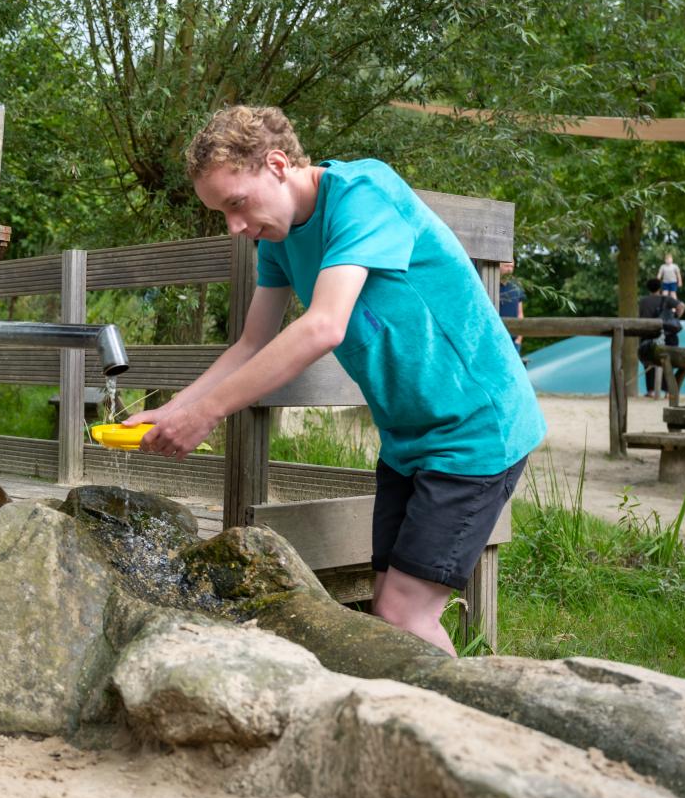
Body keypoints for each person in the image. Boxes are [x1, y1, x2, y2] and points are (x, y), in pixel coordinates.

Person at [126, 105, 545, 655]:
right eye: (221, 214)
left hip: (475, 430)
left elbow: (323, 326)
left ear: (277, 164)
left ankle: (471, 728)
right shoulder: (276, 241)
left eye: (236, 204)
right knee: (388, 608)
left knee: (404, 613)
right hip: (408, 440)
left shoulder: (362, 194)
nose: (234, 226)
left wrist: (208, 414)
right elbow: (250, 345)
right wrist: (175, 407)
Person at [637, 278, 685, 398]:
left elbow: (640, 316)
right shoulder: (666, 299)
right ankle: (668, 391)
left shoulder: (642, 301)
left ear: (648, 288)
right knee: (668, 362)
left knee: (648, 362)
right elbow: (681, 305)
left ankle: (651, 390)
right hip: (666, 335)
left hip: (647, 335)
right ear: (660, 288)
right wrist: (676, 317)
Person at [498, 259, 525, 351]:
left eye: (511, 266)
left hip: (514, 339)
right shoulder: (491, 285)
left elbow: (520, 313)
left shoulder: (516, 286)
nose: (509, 269)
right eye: (506, 266)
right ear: (499, 266)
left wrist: (519, 338)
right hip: (497, 336)